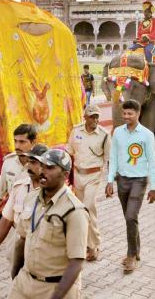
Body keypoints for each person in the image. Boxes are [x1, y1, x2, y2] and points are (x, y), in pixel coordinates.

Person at [8, 149, 88, 299]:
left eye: (50, 168)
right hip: (25, 282)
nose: (43, 171)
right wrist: (16, 275)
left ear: (65, 175)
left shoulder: (74, 211)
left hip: (55, 288)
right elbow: (22, 240)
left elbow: (77, 262)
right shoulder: (31, 198)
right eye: (42, 166)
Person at [105, 99, 155, 274]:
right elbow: (113, 157)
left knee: (130, 217)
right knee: (130, 219)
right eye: (124, 113)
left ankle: (131, 256)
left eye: (130, 113)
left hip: (139, 181)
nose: (126, 116)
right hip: (122, 181)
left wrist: (154, 186)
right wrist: (110, 180)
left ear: (138, 114)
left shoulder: (147, 135)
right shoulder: (118, 133)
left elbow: (152, 161)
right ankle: (137, 250)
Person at [0, 144, 46, 276]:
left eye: (34, 163)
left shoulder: (52, 192)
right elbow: (6, 221)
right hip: (17, 240)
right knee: (17, 279)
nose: (28, 166)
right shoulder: (19, 187)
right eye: (29, 162)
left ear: (45, 166)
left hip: (41, 245)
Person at [0, 124, 36, 245]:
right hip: (15, 225)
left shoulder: (41, 165)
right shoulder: (9, 163)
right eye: (15, 141)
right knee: (13, 259)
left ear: (33, 142)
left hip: (36, 226)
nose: (17, 146)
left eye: (22, 142)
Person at [66, 104, 110, 261]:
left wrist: (109, 182)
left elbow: (108, 159)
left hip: (94, 176)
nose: (95, 119)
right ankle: (83, 243)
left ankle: (94, 245)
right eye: (92, 116)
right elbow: (69, 152)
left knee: (89, 207)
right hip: (78, 176)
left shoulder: (104, 135)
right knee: (79, 210)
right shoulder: (76, 131)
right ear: (85, 117)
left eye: (97, 116)